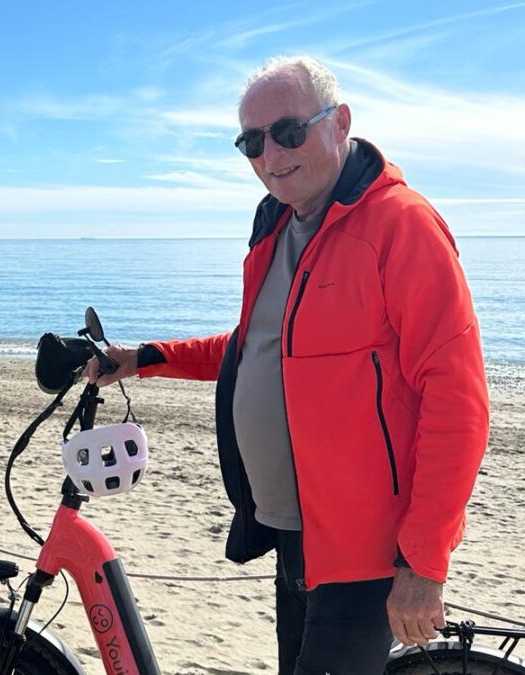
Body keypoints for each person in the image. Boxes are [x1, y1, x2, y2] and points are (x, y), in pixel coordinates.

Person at [88, 56, 488, 674]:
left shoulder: (402, 226)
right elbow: (263, 348)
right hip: (295, 532)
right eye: (252, 140)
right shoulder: (277, 228)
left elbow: (458, 403)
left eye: (289, 131)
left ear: (341, 123)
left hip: (369, 551)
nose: (271, 153)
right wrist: (142, 359)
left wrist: (425, 563)